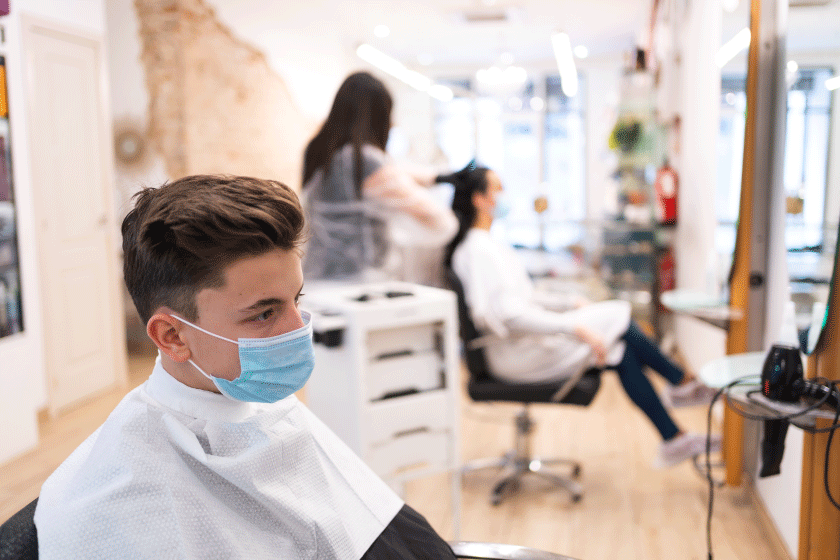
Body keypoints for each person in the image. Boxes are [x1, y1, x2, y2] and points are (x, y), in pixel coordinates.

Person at [34, 175, 456, 559]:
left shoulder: (264, 405)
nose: (298, 330)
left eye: (298, 300)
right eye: (264, 314)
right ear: (172, 337)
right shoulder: (108, 501)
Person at [439, 163, 721, 469]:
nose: (504, 195)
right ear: (480, 200)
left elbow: (525, 298)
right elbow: (509, 315)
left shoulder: (489, 244)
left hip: (525, 345)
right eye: (497, 189)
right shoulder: (478, 251)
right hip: (515, 355)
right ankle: (681, 383)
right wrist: (574, 328)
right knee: (619, 316)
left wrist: (570, 303)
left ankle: (674, 437)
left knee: (622, 352)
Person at [301, 71, 457, 282]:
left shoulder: (319, 152)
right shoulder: (364, 161)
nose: (392, 124)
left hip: (316, 278)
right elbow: (440, 222)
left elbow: (388, 175)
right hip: (359, 284)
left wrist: (435, 177)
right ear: (379, 116)